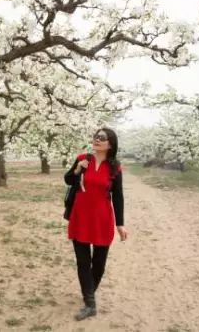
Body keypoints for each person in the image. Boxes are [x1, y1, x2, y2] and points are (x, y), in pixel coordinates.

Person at [64, 127, 128, 321]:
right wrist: (77, 169)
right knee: (83, 262)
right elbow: (68, 179)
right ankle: (90, 303)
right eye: (95, 137)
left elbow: (118, 197)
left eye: (102, 138)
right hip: (80, 216)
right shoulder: (84, 158)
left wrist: (121, 224)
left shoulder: (115, 167)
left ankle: (88, 292)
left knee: (98, 263)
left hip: (102, 219)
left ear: (110, 144)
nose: (97, 140)